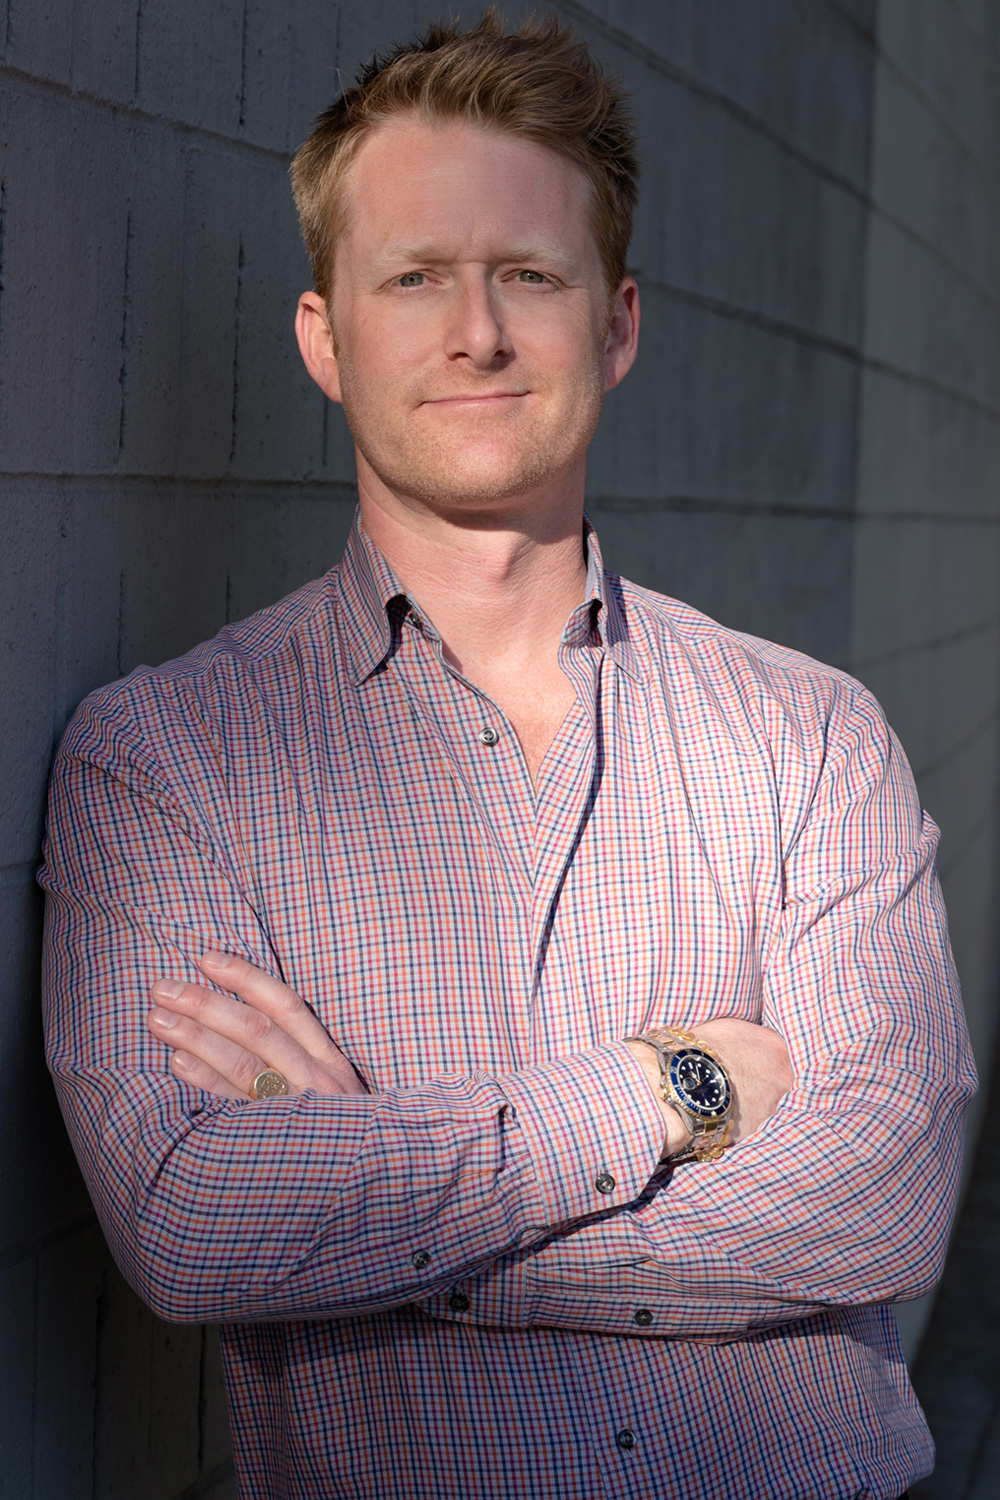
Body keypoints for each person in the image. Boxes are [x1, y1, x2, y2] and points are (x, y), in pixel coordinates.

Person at [41, 12, 975, 1499]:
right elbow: (185, 1219)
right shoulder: (166, 762)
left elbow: (890, 1190)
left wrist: (376, 1210)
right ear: (325, 339)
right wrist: (662, 1093)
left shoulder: (809, 736)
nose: (476, 331)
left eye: (527, 275)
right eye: (414, 277)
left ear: (616, 321)